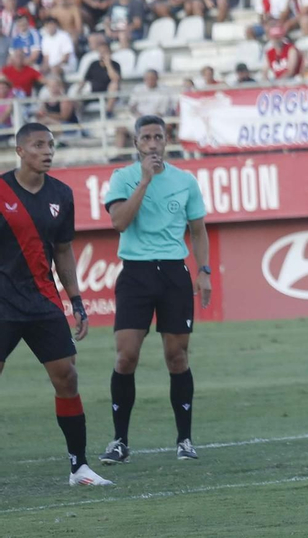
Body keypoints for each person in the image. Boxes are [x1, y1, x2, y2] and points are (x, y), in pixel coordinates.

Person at [0, 123, 114, 486]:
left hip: (43, 302)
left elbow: (63, 251)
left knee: (67, 377)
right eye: (38, 145)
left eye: (50, 145)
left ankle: (79, 467)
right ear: (20, 151)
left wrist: (77, 302)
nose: (47, 151)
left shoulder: (62, 194)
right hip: (2, 303)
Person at [99, 115, 212, 466]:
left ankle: (184, 439)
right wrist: (145, 182)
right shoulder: (123, 178)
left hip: (174, 274)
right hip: (136, 273)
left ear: (166, 141)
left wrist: (203, 271)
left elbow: (197, 230)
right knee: (126, 356)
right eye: (145, 137)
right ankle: (119, 441)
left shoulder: (185, 181)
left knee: (177, 357)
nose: (152, 143)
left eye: (158, 137)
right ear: (136, 144)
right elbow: (119, 222)